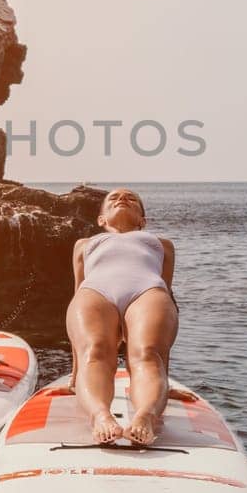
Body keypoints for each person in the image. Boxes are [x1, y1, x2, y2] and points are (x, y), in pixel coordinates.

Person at [65, 188, 178, 444]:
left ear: (143, 221)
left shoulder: (162, 245)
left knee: (148, 353)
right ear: (101, 220)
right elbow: (77, 295)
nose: (122, 199)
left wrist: (166, 382)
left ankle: (145, 415)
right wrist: (74, 375)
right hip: (95, 292)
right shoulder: (84, 245)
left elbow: (166, 291)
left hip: (147, 291)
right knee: (94, 352)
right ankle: (100, 416)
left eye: (132, 199)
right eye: (113, 198)